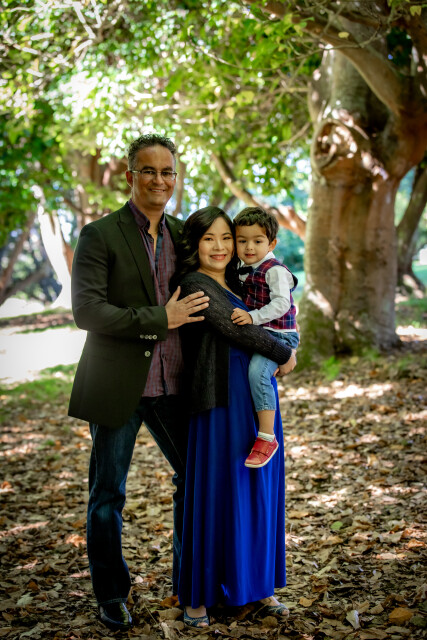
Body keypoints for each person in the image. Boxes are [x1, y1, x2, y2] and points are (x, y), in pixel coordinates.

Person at [68, 133, 209, 632]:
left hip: (177, 384)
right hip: (118, 385)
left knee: (197, 481)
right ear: (130, 176)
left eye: (167, 171)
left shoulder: (186, 236)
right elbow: (87, 311)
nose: (159, 180)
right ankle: (111, 594)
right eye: (148, 171)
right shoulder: (99, 235)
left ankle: (188, 582)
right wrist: (159, 319)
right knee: (108, 495)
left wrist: (278, 343)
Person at [174, 206, 297, 628]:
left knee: (256, 492)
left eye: (227, 237)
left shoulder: (244, 280)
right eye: (209, 238)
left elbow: (278, 312)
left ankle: (257, 588)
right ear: (195, 244)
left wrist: (281, 348)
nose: (221, 246)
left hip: (255, 400)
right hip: (219, 401)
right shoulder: (195, 283)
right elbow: (235, 328)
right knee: (216, 494)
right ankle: (199, 597)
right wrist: (286, 353)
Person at [231, 207, 299, 469]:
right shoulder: (243, 267)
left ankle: (267, 437)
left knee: (258, 373)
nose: (249, 247)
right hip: (263, 332)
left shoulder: (274, 270)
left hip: (279, 335)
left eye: (257, 241)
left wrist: (253, 317)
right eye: (242, 240)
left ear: (271, 244)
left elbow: (282, 304)